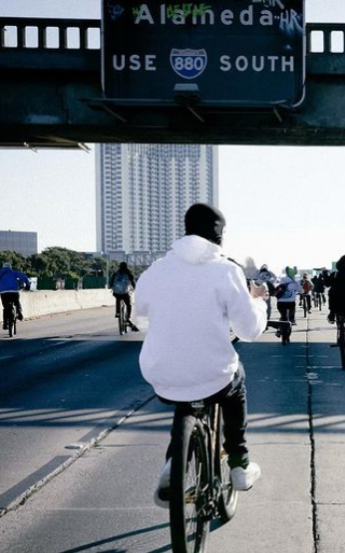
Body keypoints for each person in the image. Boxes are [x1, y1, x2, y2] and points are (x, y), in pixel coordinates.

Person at [135, 203, 268, 506]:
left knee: (185, 398)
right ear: (219, 235)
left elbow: (139, 320)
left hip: (161, 373)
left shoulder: (156, 270)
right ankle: (239, 462)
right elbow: (248, 330)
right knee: (236, 377)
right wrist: (258, 301)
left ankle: (174, 465)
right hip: (213, 374)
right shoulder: (227, 270)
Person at [0, 262, 29, 330]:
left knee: (5, 307)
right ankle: (19, 313)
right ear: (10, 267)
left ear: (3, 267)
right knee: (16, 302)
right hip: (14, 291)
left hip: (3, 292)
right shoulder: (14, 272)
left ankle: (5, 324)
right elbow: (24, 277)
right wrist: (27, 285)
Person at [110, 262, 139, 332]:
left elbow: (111, 283)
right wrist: (135, 288)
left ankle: (117, 312)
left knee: (118, 298)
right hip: (125, 293)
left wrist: (112, 288)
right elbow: (132, 283)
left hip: (116, 292)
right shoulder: (129, 274)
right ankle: (128, 318)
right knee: (129, 305)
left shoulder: (115, 274)